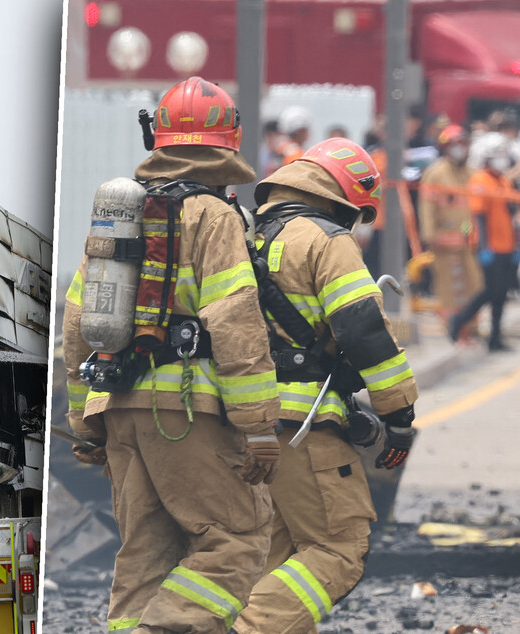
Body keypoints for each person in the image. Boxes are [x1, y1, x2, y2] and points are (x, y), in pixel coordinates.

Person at [63, 77, 282, 634]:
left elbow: (75, 321)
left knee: (144, 557)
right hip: (188, 414)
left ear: (155, 137)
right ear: (227, 142)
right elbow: (235, 320)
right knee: (234, 542)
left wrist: (82, 422)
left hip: (117, 407)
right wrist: (259, 426)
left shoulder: (121, 217)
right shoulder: (215, 216)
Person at [232, 138, 419, 634]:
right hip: (304, 429)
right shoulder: (325, 238)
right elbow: (363, 330)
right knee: (337, 548)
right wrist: (398, 416)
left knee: (280, 555)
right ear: (343, 198)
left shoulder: (247, 236)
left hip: (246, 423)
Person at [449, 132, 520, 351]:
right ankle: (459, 320)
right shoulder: (480, 180)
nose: (502, 159)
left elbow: (511, 214)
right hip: (491, 246)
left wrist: (516, 245)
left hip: (507, 245)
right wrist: (484, 247)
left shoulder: (503, 180)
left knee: (501, 293)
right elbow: (479, 217)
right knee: (492, 290)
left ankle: (495, 338)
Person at [418, 124, 481, 322]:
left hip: (468, 244)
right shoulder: (436, 173)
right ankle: (453, 329)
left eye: (463, 144)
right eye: (455, 144)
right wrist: (429, 236)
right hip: (443, 244)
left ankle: (471, 327)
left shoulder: (472, 173)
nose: (460, 148)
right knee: (449, 289)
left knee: (475, 286)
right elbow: (427, 208)